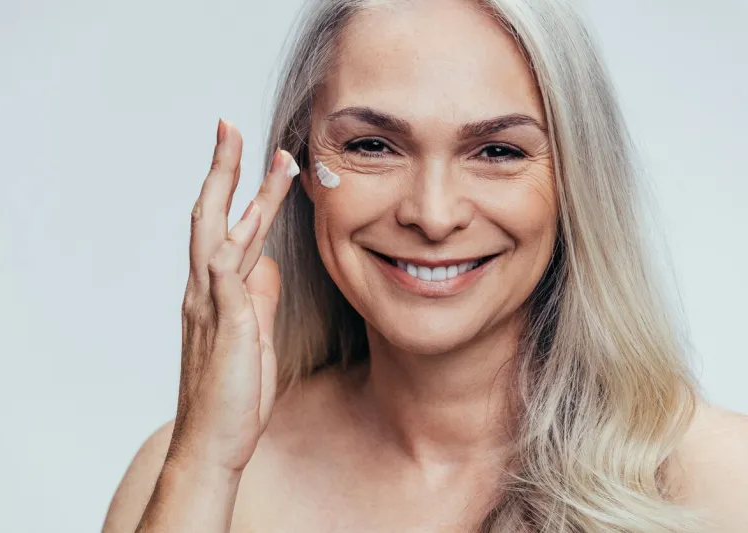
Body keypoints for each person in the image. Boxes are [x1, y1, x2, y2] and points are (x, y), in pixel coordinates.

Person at [102, 0, 748, 531]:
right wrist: (205, 465)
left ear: (577, 178)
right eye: (373, 145)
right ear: (300, 166)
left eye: (496, 150)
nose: (433, 215)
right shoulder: (192, 470)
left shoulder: (723, 482)